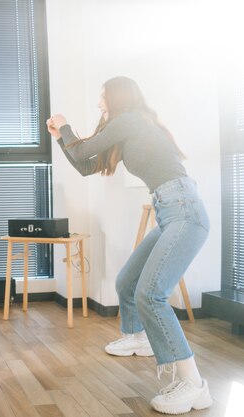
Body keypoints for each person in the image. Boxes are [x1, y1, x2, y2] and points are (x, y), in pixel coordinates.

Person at [47, 76, 212, 415]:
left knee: (150, 294)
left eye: (102, 97)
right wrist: (62, 138)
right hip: (169, 211)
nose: (98, 104)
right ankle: (137, 337)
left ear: (117, 97)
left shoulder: (131, 120)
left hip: (183, 209)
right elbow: (85, 164)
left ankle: (194, 384)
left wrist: (65, 126)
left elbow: (81, 147)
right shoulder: (127, 129)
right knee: (127, 282)